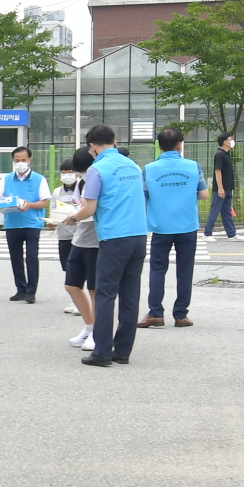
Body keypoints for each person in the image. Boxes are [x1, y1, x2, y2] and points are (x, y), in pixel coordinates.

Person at [77, 125, 148, 367]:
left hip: (114, 236)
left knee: (105, 294)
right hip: (139, 234)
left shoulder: (97, 169)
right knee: (130, 294)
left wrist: (71, 218)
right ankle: (123, 350)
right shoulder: (133, 166)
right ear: (114, 141)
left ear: (92, 146)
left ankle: (102, 352)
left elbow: (89, 208)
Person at [140, 128, 203, 328]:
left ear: (159, 146)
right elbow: (204, 194)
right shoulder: (193, 166)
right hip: (187, 225)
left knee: (158, 269)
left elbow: (143, 195)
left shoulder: (149, 169)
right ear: (179, 145)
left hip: (161, 226)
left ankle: (155, 313)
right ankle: (181, 315)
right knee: (185, 270)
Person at [52, 154, 98, 339]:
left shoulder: (99, 180)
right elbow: (82, 206)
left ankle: (97, 332)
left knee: (94, 289)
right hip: (79, 239)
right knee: (71, 285)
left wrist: (75, 216)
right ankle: (90, 327)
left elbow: (92, 209)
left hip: (96, 241)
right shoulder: (81, 184)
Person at [0, 145, 48, 302]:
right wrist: (2, 202)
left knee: (31, 257)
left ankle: (31, 291)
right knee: (15, 258)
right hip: (12, 224)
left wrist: (29, 205)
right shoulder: (7, 179)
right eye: (17, 160)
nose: (20, 163)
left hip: (32, 223)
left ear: (30, 160)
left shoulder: (39, 179)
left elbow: (44, 202)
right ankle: (21, 289)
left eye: (23, 160)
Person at [208, 133, 240, 239]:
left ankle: (232, 234)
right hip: (221, 189)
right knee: (215, 210)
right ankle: (207, 233)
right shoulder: (219, 155)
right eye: (230, 139)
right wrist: (220, 188)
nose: (232, 141)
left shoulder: (226, 154)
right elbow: (218, 171)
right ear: (225, 142)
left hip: (228, 188)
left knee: (226, 212)